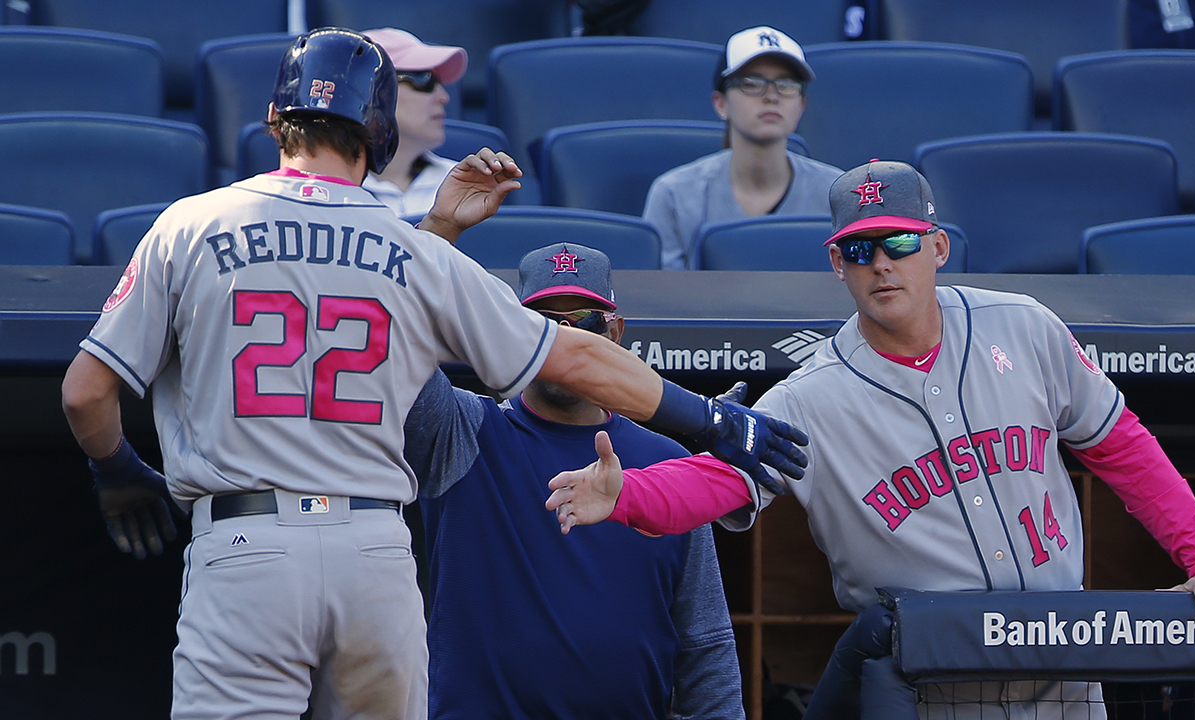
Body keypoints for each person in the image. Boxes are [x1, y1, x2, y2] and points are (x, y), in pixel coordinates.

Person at [59, 27, 805, 720]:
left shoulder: (192, 223)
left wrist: (118, 468)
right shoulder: (411, 250)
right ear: (378, 129)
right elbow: (568, 354)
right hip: (371, 550)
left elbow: (85, 392)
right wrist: (711, 420)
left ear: (274, 118)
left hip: (246, 540)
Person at [548, 159, 1195, 719]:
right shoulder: (810, 396)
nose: (881, 262)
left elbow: (1121, 446)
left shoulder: (1024, 326)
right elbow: (719, 480)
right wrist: (630, 494)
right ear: (837, 265)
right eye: (859, 249)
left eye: (898, 242)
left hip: (1064, 681)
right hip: (932, 691)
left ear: (937, 246)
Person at [404, 242, 743, 720]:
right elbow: (393, 336)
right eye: (543, 322)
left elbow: (703, 636)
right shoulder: (463, 431)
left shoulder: (666, 458)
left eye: (584, 320)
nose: (565, 338)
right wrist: (437, 233)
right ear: (512, 333)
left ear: (616, 332)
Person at [642, 25, 842, 270]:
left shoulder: (837, 194)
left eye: (787, 84)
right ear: (720, 103)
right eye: (752, 83)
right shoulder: (674, 195)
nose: (771, 96)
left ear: (801, 105)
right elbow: (661, 300)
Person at [360, 27, 466, 217]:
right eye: (424, 80)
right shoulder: (319, 192)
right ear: (369, 92)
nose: (444, 97)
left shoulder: (467, 184)